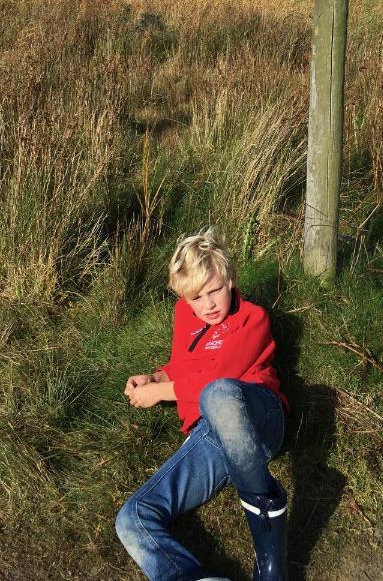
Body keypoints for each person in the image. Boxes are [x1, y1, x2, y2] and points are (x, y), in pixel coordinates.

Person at [115, 227, 289, 581]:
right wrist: (157, 379)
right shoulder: (185, 315)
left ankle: (270, 560)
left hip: (259, 415)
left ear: (231, 281)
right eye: (196, 297)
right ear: (183, 296)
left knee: (219, 394)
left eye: (214, 291)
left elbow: (218, 377)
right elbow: (184, 366)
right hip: (211, 434)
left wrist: (163, 394)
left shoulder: (252, 318)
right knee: (132, 517)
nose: (207, 305)